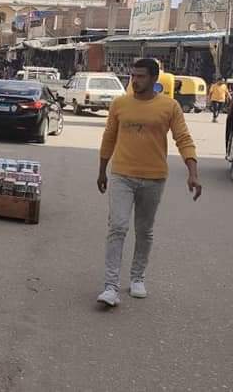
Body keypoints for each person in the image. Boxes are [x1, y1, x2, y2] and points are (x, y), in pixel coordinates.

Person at [95, 58, 201, 307]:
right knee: (117, 227)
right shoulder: (120, 104)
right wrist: (102, 171)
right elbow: (109, 137)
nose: (135, 80)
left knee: (144, 231)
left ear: (154, 79)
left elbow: (183, 138)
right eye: (133, 76)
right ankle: (110, 286)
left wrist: (193, 173)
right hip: (122, 175)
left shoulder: (169, 106)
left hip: (154, 178)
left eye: (141, 76)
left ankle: (137, 277)